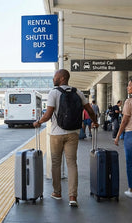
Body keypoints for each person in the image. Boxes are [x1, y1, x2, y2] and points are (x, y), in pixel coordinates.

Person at [33, 69, 98, 207]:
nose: (53, 78)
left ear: (62, 78)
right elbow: (90, 111)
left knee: (56, 163)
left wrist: (38, 122)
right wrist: (95, 121)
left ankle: (57, 192)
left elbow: (48, 115)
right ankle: (73, 196)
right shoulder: (78, 92)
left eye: (55, 76)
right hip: (73, 133)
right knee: (72, 163)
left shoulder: (54, 92)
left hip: (57, 134)